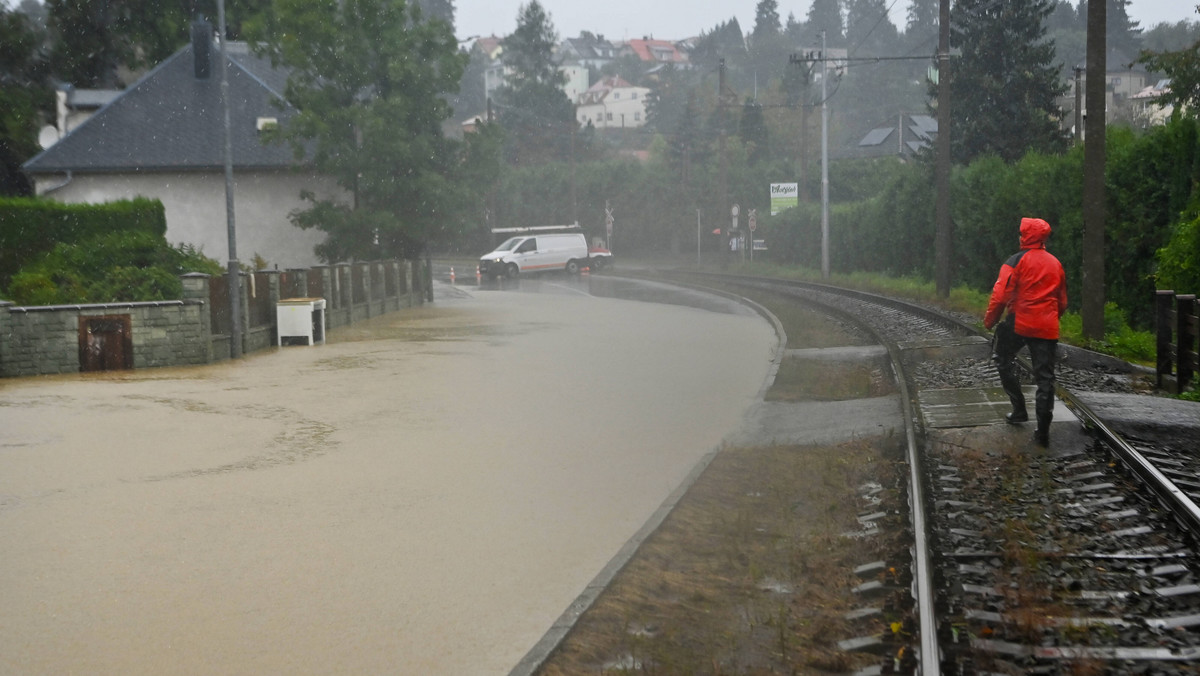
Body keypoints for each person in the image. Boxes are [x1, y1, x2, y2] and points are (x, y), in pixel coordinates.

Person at [983, 217, 1068, 447]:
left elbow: (1000, 296)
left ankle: (1019, 409)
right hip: (1046, 326)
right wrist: (1050, 318)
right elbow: (1062, 301)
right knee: (1045, 378)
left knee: (1003, 359)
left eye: (1022, 234)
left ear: (1026, 236)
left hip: (1019, 323)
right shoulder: (1055, 263)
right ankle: (1043, 432)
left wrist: (990, 321)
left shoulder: (1014, 261)